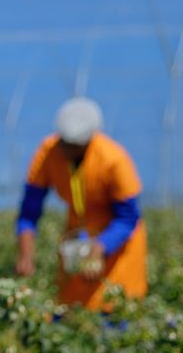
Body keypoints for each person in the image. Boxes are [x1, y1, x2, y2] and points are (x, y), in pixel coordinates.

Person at [14, 97, 146, 309]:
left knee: (113, 312)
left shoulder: (113, 160)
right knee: (68, 312)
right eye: (63, 143)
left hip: (117, 248)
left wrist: (100, 248)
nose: (66, 151)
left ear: (89, 141)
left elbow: (128, 218)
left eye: (74, 146)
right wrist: (25, 253)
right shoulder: (48, 153)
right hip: (77, 244)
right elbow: (29, 211)